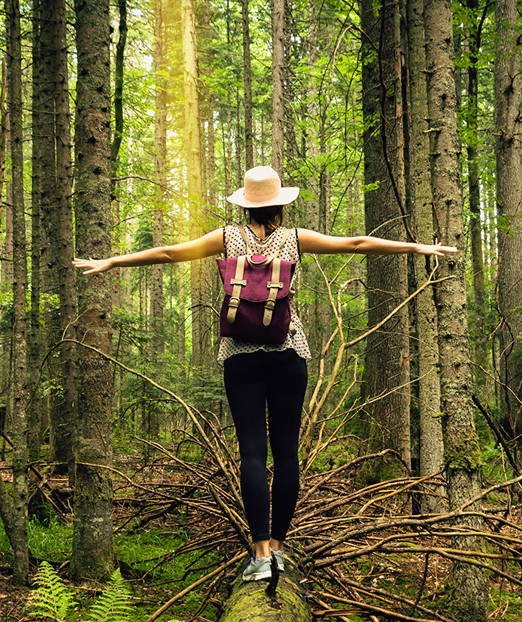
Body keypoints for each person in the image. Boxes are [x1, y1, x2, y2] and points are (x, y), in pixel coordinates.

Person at [74, 166, 457, 582]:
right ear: (280, 203)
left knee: (253, 452)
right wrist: (416, 248)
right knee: (287, 452)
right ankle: (278, 548)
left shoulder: (225, 238)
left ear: (245, 203)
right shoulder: (294, 239)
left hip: (240, 356)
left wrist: (112, 261)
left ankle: (259, 555)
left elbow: (168, 253)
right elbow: (357, 243)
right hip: (287, 351)